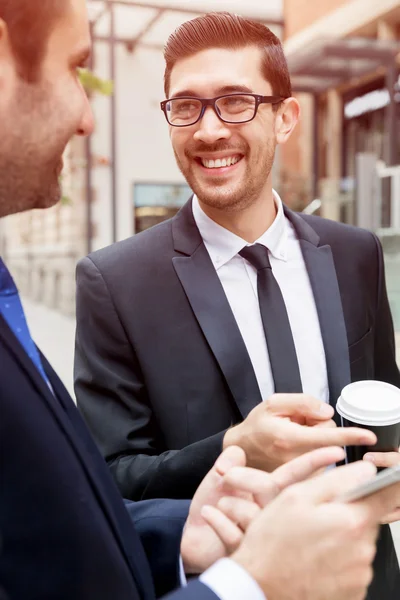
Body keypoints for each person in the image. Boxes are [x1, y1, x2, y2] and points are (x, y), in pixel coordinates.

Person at [3, 3, 399, 600]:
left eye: (236, 101)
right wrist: (231, 447)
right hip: (223, 575)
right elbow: (108, 480)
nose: (209, 129)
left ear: (286, 117)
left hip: (365, 571)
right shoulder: (114, 281)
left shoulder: (356, 253)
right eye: (186, 107)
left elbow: (383, 396)